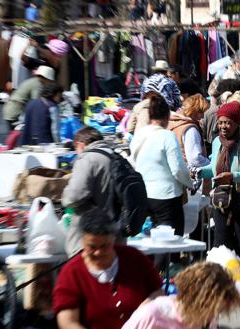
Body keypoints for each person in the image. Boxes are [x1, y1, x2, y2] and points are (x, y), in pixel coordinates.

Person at [53, 208, 163, 329]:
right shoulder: (71, 272)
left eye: (104, 246)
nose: (98, 252)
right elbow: (68, 322)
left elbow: (158, 292)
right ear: (82, 242)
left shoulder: (134, 258)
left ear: (113, 239)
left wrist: (147, 308)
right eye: (92, 247)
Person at [200, 101, 240, 283]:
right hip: (222, 202)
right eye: (221, 122)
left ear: (237, 122)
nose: (223, 127)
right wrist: (198, 171)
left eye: (228, 122)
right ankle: (222, 286)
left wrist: (232, 176)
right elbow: (214, 170)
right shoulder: (216, 144)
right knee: (221, 244)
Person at [129, 93, 192, 268]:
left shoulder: (139, 136)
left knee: (149, 242)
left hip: (143, 195)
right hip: (166, 196)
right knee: (168, 244)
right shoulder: (167, 136)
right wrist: (190, 184)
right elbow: (178, 169)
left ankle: (150, 278)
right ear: (167, 117)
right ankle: (163, 279)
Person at [122, 262, 240, 329]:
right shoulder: (152, 315)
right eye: (213, 309)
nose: (214, 315)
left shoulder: (206, 321)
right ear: (196, 299)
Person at [62, 127, 124, 257]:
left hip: (91, 238)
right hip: (117, 235)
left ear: (80, 144)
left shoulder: (87, 159)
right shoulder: (117, 156)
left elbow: (74, 196)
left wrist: (64, 197)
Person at [168, 93, 210, 167]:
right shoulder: (190, 129)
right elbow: (195, 160)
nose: (203, 116)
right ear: (194, 110)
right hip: (186, 174)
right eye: (201, 112)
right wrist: (210, 164)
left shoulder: (172, 122)